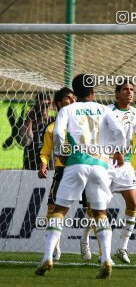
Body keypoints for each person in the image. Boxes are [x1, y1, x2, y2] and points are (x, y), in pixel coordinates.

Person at [35, 74, 126, 279]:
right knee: (100, 213)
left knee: (59, 211)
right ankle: (106, 260)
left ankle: (48, 257)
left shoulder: (67, 109)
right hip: (100, 165)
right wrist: (119, 151)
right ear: (93, 90)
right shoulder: (103, 109)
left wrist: (61, 153)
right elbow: (119, 130)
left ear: (74, 93)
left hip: (76, 163)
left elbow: (58, 133)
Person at [107, 80, 136, 264]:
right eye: (125, 89)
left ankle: (122, 248)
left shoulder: (135, 113)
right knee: (97, 206)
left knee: (133, 203)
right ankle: (85, 241)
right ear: (117, 94)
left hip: (125, 165)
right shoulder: (107, 111)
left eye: (132, 89)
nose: (130, 92)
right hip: (106, 164)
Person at [37, 87, 76, 261]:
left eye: (74, 97)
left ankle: (89, 244)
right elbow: (45, 152)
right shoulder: (52, 128)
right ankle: (55, 246)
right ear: (58, 103)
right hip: (62, 170)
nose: (73, 100)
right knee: (52, 208)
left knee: (95, 209)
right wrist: (43, 165)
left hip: (85, 168)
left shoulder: (83, 121)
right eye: (68, 98)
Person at [20, 91, 53, 170]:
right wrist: (29, 119)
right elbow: (25, 142)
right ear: (36, 105)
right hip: (31, 164)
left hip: (50, 164)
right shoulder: (30, 122)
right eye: (42, 105)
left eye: (47, 105)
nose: (44, 108)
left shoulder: (53, 120)